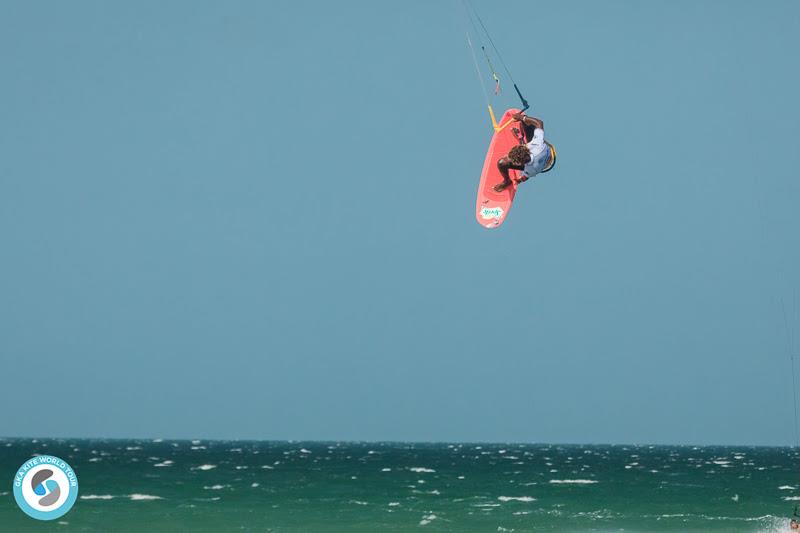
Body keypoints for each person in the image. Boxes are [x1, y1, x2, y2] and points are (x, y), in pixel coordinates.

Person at [493, 112, 555, 192]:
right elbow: (539, 122)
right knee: (525, 121)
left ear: (520, 163)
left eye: (515, 161)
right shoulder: (537, 143)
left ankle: (507, 181)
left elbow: (525, 177)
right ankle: (521, 134)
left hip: (544, 163)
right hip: (542, 151)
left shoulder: (531, 169)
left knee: (501, 163)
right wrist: (522, 118)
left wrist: (519, 180)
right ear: (526, 149)